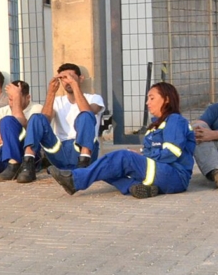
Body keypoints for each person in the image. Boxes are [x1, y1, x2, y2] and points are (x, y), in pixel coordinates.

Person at [50, 82, 194, 199]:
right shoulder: (154, 126)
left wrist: (139, 157)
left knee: (122, 158)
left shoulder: (175, 120)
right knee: (106, 166)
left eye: (152, 98)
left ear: (167, 99)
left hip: (175, 176)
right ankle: (134, 187)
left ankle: (74, 180)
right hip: (160, 173)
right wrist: (140, 156)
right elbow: (152, 153)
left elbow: (171, 153)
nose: (147, 102)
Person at [16, 63, 105, 183]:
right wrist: (51, 93)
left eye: (71, 77)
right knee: (37, 117)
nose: (67, 82)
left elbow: (88, 112)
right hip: (59, 151)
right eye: (64, 79)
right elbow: (44, 121)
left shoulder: (94, 98)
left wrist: (75, 85)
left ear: (81, 78)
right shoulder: (58, 101)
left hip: (82, 149)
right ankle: (28, 164)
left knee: (85, 115)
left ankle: (83, 166)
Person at [190, 102, 218, 188]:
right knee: (198, 131)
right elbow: (199, 123)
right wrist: (197, 129)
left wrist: (214, 134)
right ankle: (216, 172)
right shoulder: (215, 108)